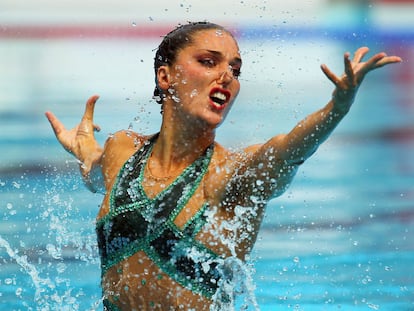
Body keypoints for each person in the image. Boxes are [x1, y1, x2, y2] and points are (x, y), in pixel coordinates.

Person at [45, 22, 401, 310]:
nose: (227, 75)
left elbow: (287, 151)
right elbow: (96, 175)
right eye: (208, 61)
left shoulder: (231, 176)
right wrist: (86, 151)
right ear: (165, 77)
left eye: (235, 68)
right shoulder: (122, 149)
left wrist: (335, 109)